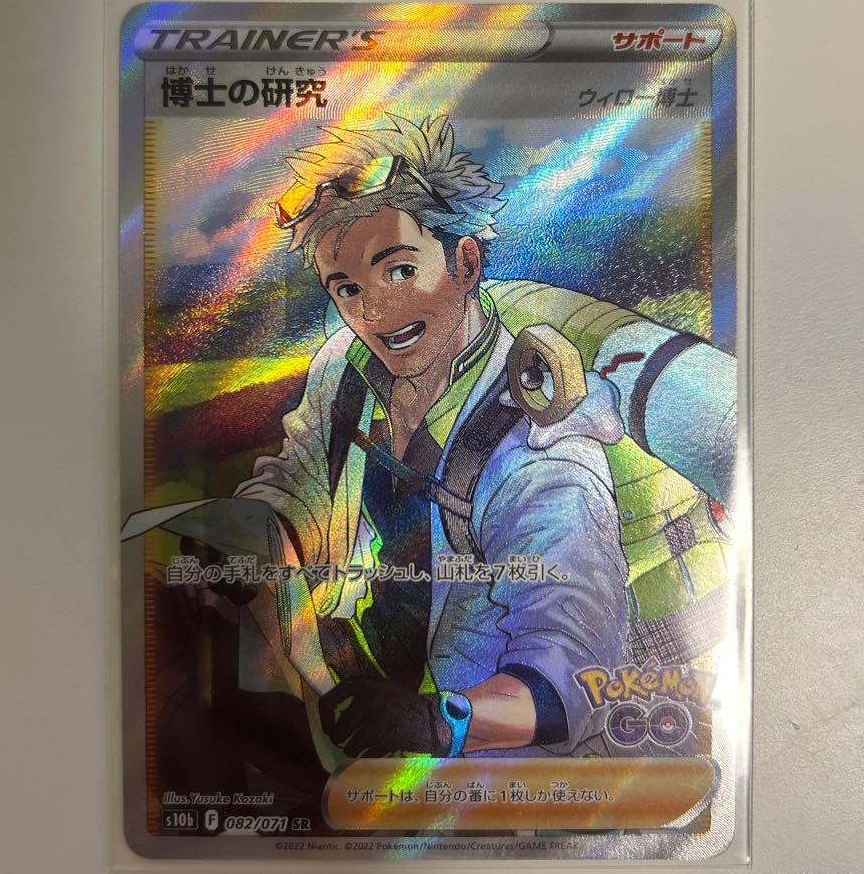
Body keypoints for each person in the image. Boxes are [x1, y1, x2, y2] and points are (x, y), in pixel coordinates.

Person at [234, 112, 630, 760]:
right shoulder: (345, 369)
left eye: (397, 271)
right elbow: (301, 477)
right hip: (352, 694)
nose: (373, 311)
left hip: (482, 765)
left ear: (465, 262)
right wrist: (252, 532)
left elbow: (575, 669)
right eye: (347, 288)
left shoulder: (542, 445)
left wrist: (441, 723)